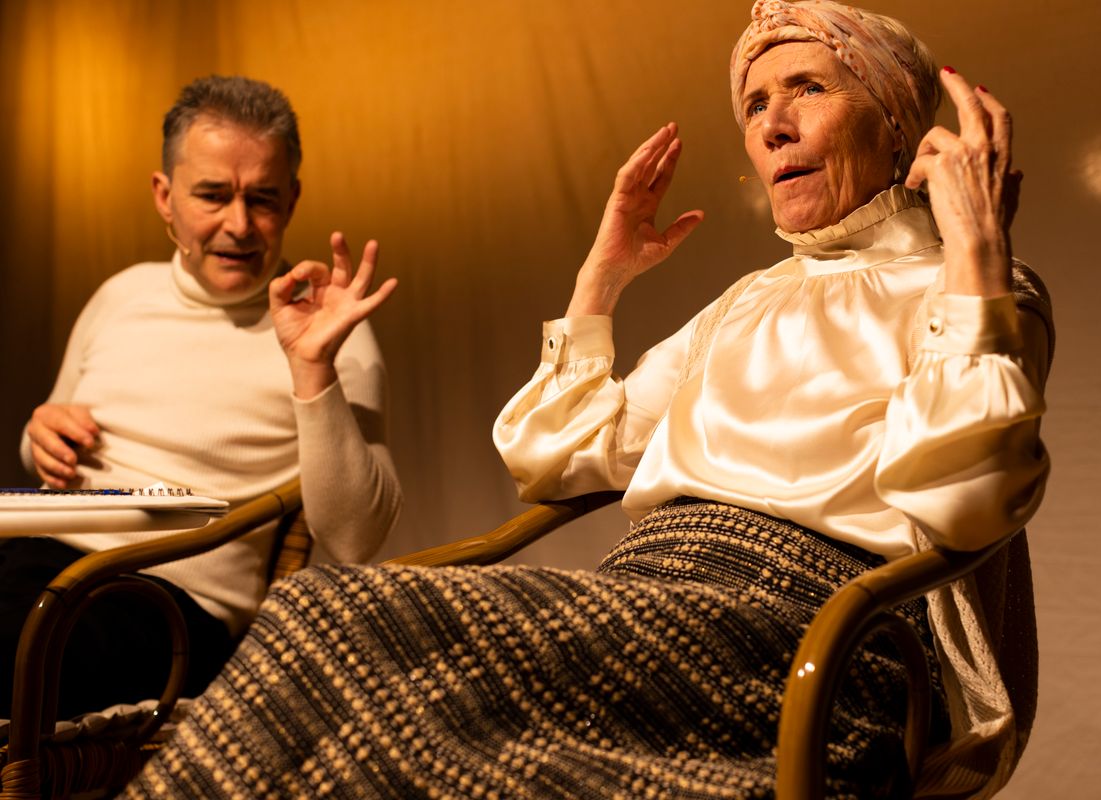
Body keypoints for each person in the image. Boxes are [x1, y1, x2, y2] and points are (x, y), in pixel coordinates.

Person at [120, 2, 1051, 798]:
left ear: (896, 122)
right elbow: (555, 459)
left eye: (806, 88)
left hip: (803, 637)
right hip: (647, 601)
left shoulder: (981, 291)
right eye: (753, 103)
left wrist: (974, 255)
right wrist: (600, 279)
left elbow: (964, 502)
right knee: (330, 639)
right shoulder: (748, 301)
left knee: (337, 624)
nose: (771, 125)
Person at [2, 75, 402, 719]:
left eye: (263, 199)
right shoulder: (121, 294)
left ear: (292, 201)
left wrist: (312, 369)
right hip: (33, 564)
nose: (239, 226)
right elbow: (42, 438)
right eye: (213, 195)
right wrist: (39, 435)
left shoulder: (329, 332)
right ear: (165, 197)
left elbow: (357, 539)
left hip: (168, 609)